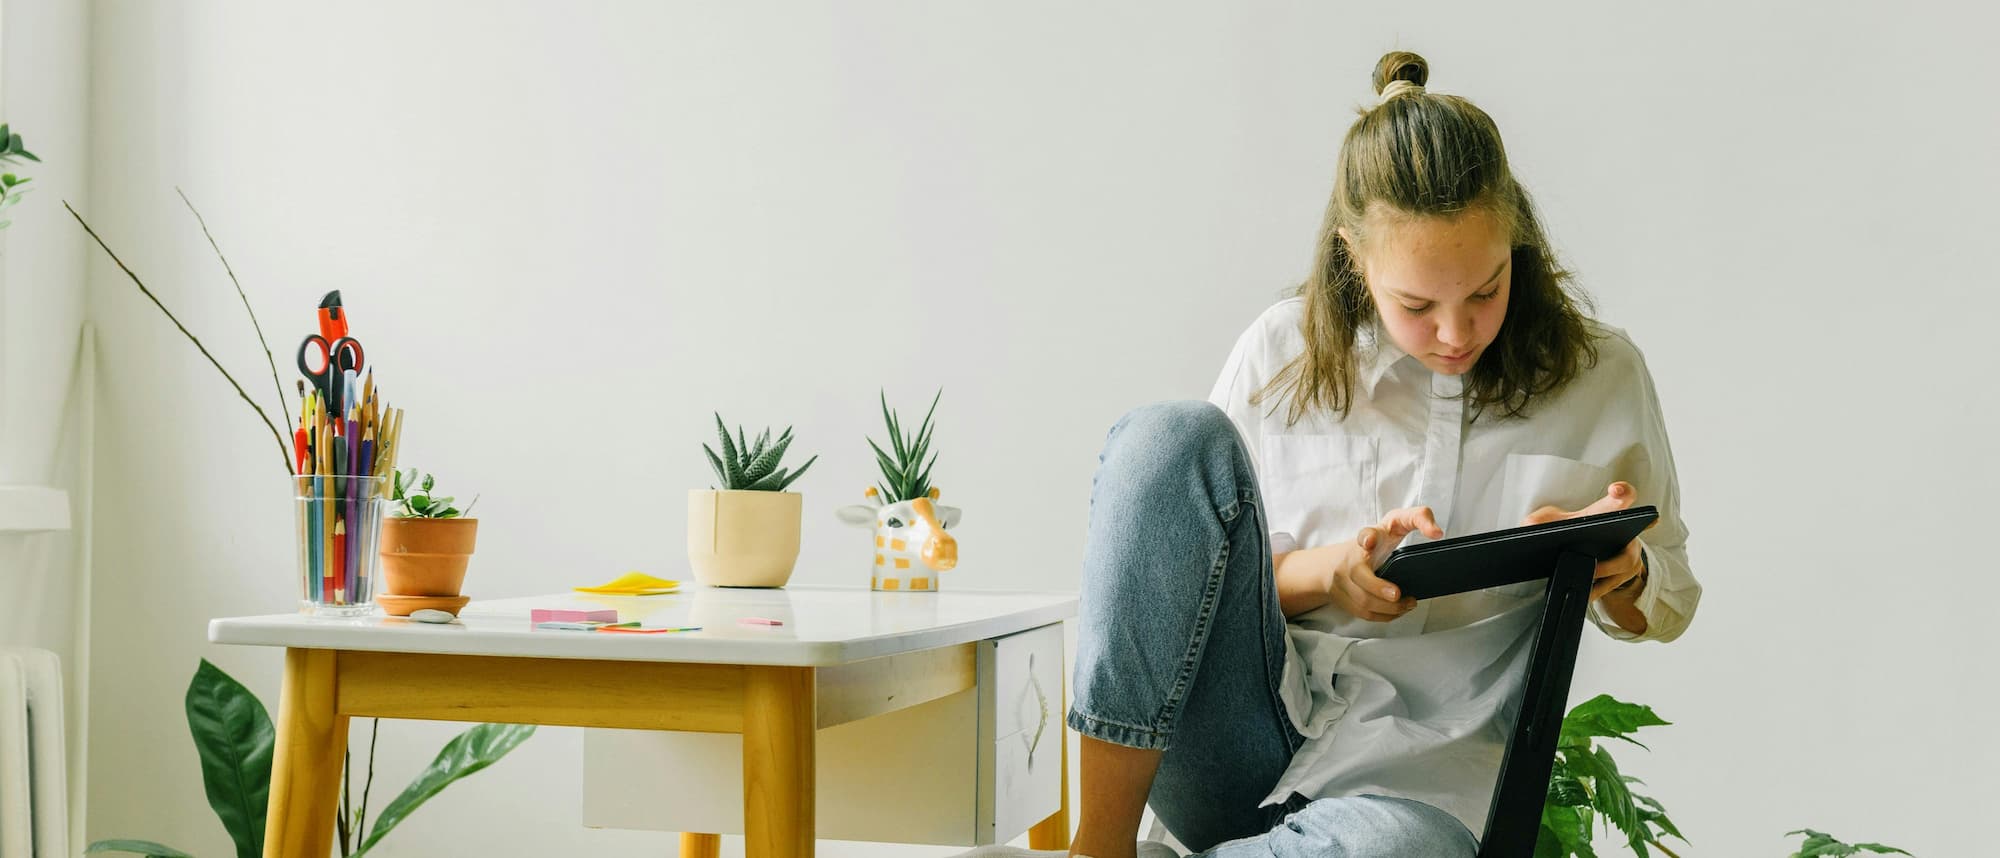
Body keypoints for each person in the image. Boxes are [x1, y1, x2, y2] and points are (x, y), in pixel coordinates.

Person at [976, 50, 1702, 858]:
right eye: (1417, 305)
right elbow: (1196, 585)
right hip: (1247, 739)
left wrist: (1623, 569)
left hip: (1423, 789)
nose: (1456, 333)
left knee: (1386, 852)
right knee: (1165, 438)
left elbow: (1667, 601)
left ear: (1518, 242)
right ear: (1356, 258)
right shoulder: (1280, 352)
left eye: (1486, 290)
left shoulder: (1602, 376)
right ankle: (1099, 848)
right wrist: (1331, 573)